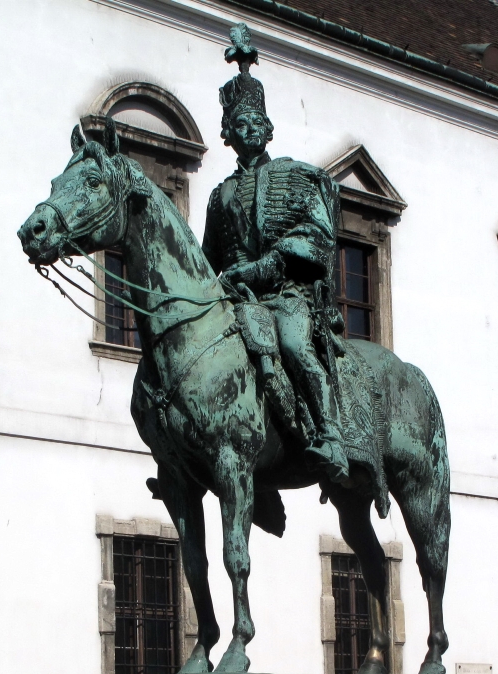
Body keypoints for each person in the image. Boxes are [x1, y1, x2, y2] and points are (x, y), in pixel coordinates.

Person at [202, 24, 349, 484]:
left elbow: (314, 235)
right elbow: (209, 258)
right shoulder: (219, 196)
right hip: (237, 299)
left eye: (254, 123)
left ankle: (330, 435)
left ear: (267, 130)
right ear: (227, 133)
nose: (247, 130)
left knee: (292, 345)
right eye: (238, 124)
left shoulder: (293, 177)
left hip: (285, 294)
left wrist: (262, 267)